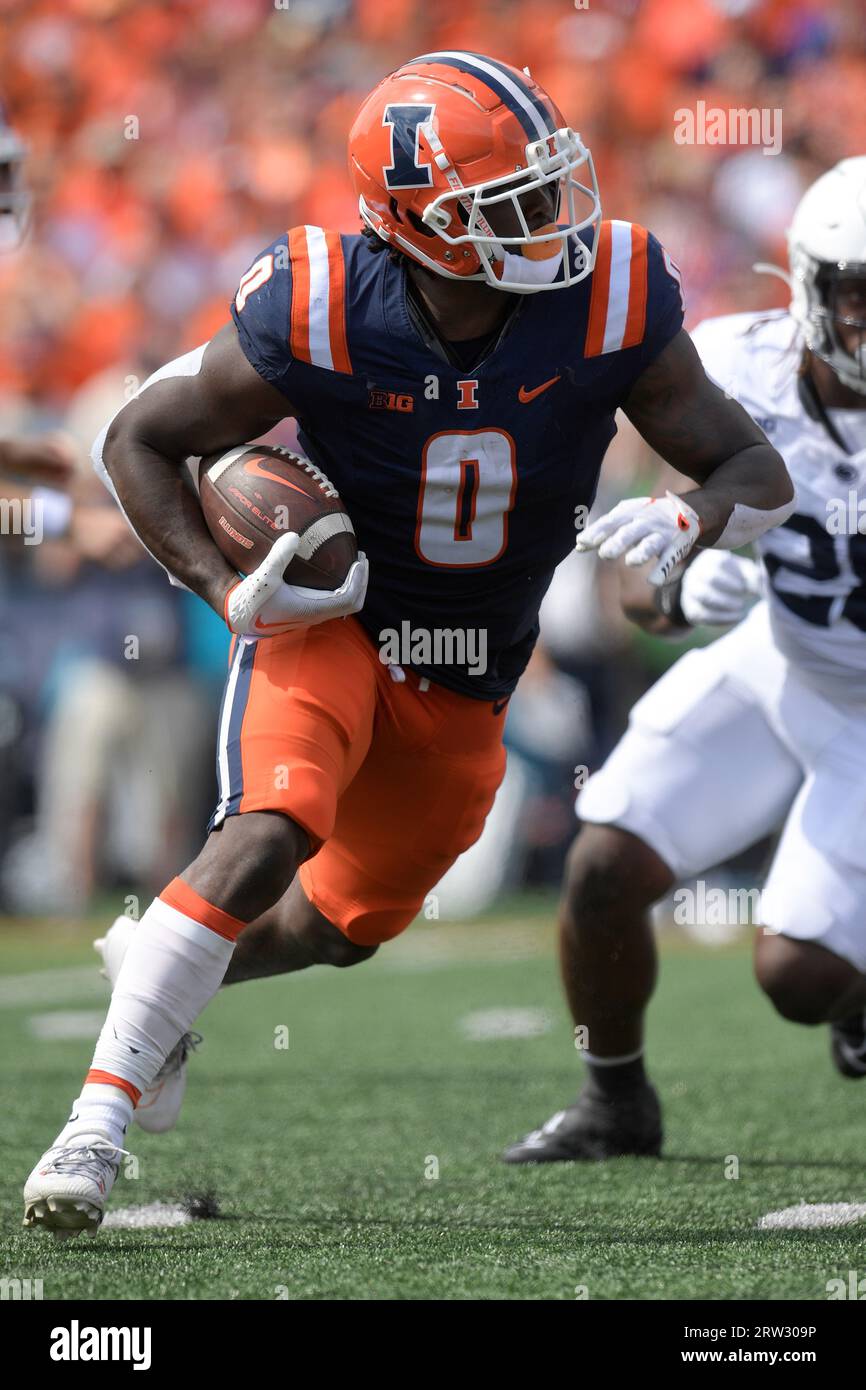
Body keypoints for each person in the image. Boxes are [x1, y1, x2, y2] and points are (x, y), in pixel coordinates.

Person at [23, 52, 793, 1236]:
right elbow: (139, 437)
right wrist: (229, 588)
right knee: (270, 827)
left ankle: (159, 972)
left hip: (473, 670)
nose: (551, 223)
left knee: (342, 929)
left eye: (549, 189)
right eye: (510, 208)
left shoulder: (612, 295)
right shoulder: (322, 300)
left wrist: (691, 514)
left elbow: (753, 468)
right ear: (417, 223)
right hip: (337, 617)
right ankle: (94, 1124)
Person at [504, 157, 866, 1164]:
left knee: (795, 975)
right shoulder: (738, 367)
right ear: (806, 286)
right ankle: (613, 1102)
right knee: (603, 862)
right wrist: (675, 584)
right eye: (859, 294)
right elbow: (632, 582)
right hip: (777, 658)